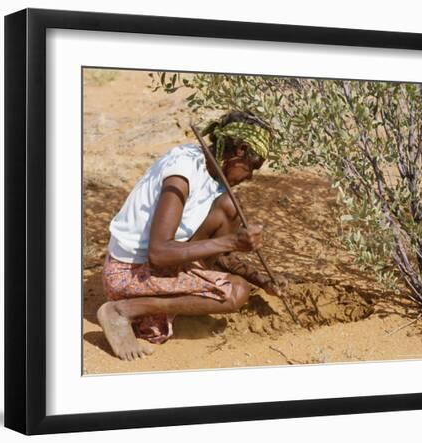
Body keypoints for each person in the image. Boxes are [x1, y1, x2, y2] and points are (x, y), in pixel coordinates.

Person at [97, 110, 285, 361]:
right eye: (252, 167)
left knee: (228, 207)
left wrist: (263, 280)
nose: (250, 176)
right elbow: (159, 253)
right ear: (239, 151)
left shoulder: (212, 176)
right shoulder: (182, 173)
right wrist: (231, 241)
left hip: (153, 267)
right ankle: (124, 310)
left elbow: (219, 255)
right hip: (128, 273)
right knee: (236, 291)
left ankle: (152, 306)